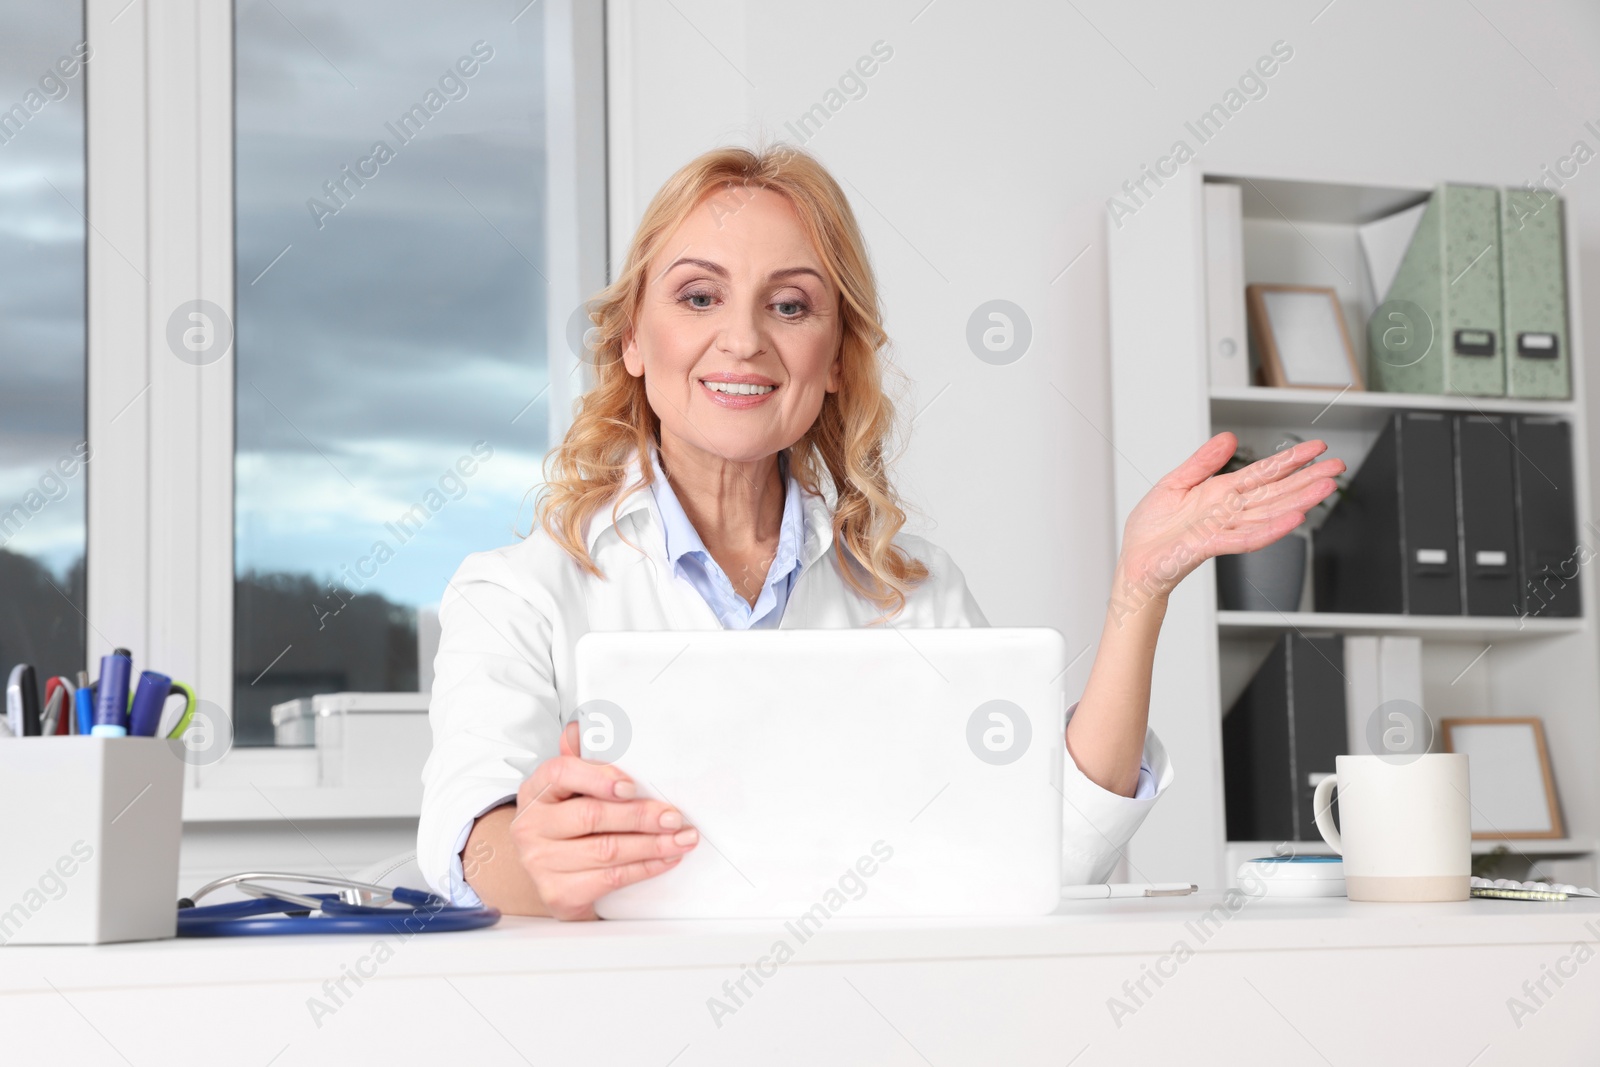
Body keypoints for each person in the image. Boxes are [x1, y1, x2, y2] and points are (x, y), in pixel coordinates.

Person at [417, 145, 1344, 920]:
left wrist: (1140, 586)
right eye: (698, 296)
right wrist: (532, 855)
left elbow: (1041, 853)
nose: (742, 340)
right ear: (630, 339)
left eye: (790, 305)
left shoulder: (915, 592)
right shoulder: (517, 594)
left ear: (834, 360)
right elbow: (469, 844)